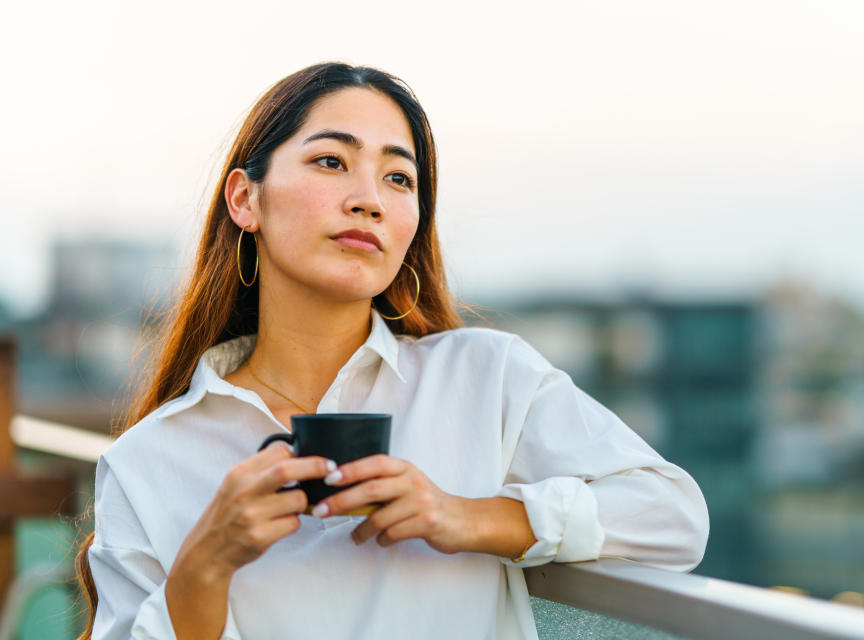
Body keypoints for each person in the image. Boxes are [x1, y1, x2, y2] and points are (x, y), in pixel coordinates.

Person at [74, 62, 709, 640]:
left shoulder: (487, 377)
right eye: (330, 162)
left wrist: (470, 517)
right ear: (245, 199)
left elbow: (674, 517)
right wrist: (204, 568)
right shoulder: (146, 461)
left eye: (398, 177)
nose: (369, 199)